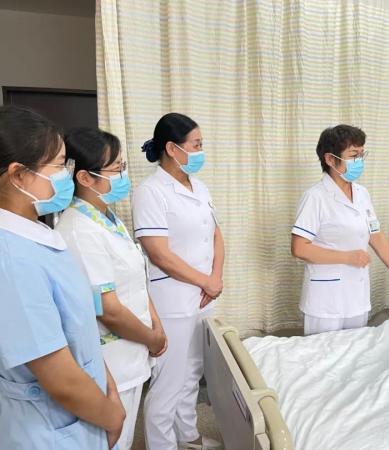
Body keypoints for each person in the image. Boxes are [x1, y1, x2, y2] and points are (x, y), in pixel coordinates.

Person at [0, 106, 125, 449]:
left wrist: (108, 385)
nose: (67, 174)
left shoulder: (38, 233)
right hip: (50, 431)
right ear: (19, 175)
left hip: (84, 409)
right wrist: (113, 416)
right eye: (58, 165)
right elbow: (61, 380)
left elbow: (78, 330)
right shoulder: (11, 260)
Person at [55, 127, 167, 450]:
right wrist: (152, 337)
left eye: (123, 166)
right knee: (113, 440)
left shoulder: (108, 220)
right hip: (112, 362)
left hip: (132, 352)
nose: (122, 175)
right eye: (116, 168)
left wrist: (155, 324)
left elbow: (135, 278)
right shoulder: (78, 231)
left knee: (126, 436)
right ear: (85, 178)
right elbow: (108, 310)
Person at [132, 113, 224, 450]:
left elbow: (216, 236)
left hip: (203, 296)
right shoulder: (150, 192)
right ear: (172, 148)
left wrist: (215, 279)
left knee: (192, 373)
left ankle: (189, 436)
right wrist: (206, 281)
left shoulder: (199, 187)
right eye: (196, 145)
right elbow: (159, 254)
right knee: (168, 381)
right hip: (171, 299)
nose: (201, 151)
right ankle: (162, 445)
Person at [291, 124, 389, 335]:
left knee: (355, 350)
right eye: (353, 155)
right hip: (325, 300)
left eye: (361, 155)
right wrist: (347, 257)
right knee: (323, 352)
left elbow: (375, 235)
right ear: (330, 159)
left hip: (357, 295)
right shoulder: (315, 197)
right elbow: (299, 248)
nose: (359, 161)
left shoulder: (362, 194)